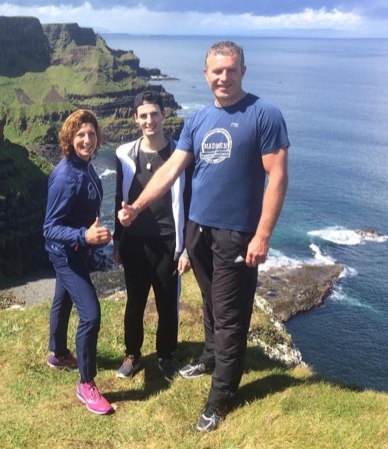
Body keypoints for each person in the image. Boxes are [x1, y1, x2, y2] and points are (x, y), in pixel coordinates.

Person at [118, 41, 289, 432]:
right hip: (198, 229)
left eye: (230, 69)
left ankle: (220, 397)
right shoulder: (197, 120)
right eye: (216, 71)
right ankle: (211, 357)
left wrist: (262, 236)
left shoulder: (264, 114)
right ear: (206, 74)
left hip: (236, 233)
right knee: (211, 301)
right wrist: (137, 206)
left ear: (243, 70)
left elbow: (278, 177)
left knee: (230, 316)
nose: (223, 77)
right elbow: (169, 170)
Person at [113, 90, 191, 382]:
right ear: (135, 119)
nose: (150, 120)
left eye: (154, 114)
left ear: (164, 115)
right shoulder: (124, 155)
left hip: (168, 244)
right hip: (134, 243)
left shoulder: (180, 156)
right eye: (143, 115)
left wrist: (186, 249)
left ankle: (166, 355)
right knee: (134, 303)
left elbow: (189, 201)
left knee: (167, 304)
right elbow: (120, 202)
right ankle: (132, 354)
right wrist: (118, 240)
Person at [43, 109, 113, 415]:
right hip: (65, 252)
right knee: (91, 315)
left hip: (75, 248)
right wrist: (85, 235)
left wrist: (91, 233)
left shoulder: (85, 166)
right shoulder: (65, 177)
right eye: (80, 134)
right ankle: (86, 385)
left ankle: (57, 354)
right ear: (69, 139)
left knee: (63, 299)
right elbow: (49, 227)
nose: (87, 139)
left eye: (92, 134)